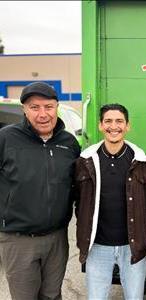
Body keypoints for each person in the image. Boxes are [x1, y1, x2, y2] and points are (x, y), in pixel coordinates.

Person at [0, 81, 80, 300]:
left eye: (48, 106)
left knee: (53, 296)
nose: (42, 114)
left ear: (57, 107)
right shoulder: (6, 138)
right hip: (19, 239)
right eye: (35, 107)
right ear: (24, 109)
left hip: (57, 238)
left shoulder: (69, 143)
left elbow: (77, 186)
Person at [74, 103, 146, 300]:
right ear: (101, 126)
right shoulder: (84, 162)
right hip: (98, 247)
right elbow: (78, 201)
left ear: (127, 126)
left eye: (119, 121)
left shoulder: (144, 163)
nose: (114, 126)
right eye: (108, 121)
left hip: (132, 248)